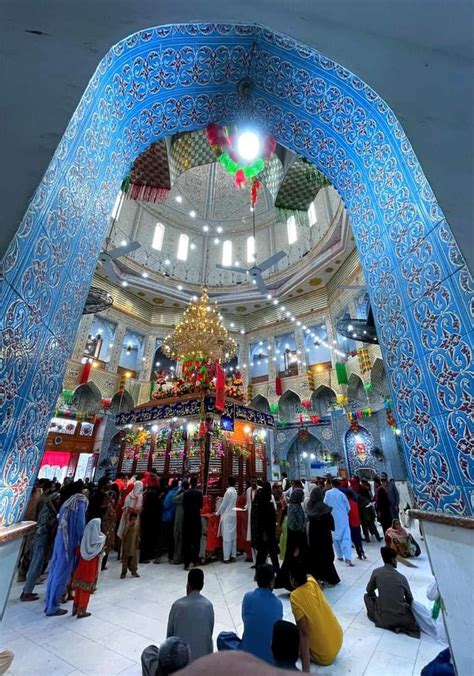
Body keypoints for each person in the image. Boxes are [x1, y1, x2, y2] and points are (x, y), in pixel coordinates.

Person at [217, 564, 283, 663]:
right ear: (271, 582)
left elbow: (245, 620)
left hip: (246, 655)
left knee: (223, 637)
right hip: (270, 659)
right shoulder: (278, 604)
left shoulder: (248, 597)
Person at [44, 483, 88, 616]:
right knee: (62, 573)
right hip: (69, 542)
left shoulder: (66, 503)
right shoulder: (79, 503)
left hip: (59, 540)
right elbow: (80, 525)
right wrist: (83, 541)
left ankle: (49, 601)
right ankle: (53, 607)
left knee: (54, 571)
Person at [289, 562, 343, 670]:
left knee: (291, 637)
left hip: (325, 656)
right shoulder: (312, 581)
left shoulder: (295, 596)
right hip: (338, 639)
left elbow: (304, 634)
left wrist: (305, 671)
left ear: (293, 580)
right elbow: (309, 575)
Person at [364, 546, 420, 637]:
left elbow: (369, 590)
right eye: (396, 559)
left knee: (367, 597)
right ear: (393, 559)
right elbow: (410, 599)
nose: (397, 561)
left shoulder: (376, 572)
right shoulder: (402, 578)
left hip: (383, 617)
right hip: (401, 618)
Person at [166, 569, 214, 662]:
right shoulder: (208, 606)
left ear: (188, 584)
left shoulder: (177, 605)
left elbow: (169, 637)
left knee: (149, 652)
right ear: (202, 585)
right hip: (204, 665)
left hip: (180, 665)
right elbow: (209, 633)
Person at [21, 492, 60, 601]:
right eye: (57, 499)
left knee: (36, 566)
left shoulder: (51, 511)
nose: (58, 501)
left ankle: (28, 590)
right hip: (40, 541)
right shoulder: (46, 512)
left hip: (42, 541)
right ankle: (26, 592)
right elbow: (42, 527)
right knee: (35, 566)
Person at [71, 517, 106, 618]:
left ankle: (75, 608)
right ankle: (82, 610)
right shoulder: (97, 545)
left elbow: (77, 551)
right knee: (85, 591)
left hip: (80, 569)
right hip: (90, 570)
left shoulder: (84, 543)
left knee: (78, 589)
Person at [306, 486, 340, 587]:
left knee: (315, 558)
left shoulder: (310, 507)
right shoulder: (324, 508)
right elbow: (331, 525)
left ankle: (317, 578)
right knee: (327, 558)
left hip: (313, 539)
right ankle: (330, 578)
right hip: (325, 538)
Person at [275, 487, 306, 590]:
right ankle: (291, 583)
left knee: (291, 562)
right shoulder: (295, 509)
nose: (303, 497)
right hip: (295, 539)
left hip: (295, 538)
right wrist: (296, 546)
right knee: (292, 562)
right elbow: (295, 527)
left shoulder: (294, 506)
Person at [323, 479, 353, 566]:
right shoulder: (342, 494)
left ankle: (340, 555)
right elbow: (348, 507)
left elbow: (325, 504)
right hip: (343, 519)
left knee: (335, 538)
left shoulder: (328, 493)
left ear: (331, 484)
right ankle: (348, 557)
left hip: (333, 518)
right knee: (346, 538)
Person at [253, 482, 280, 571]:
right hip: (268, 534)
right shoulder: (268, 505)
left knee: (261, 555)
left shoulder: (259, 503)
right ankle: (278, 573)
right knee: (273, 555)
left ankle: (258, 573)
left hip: (262, 534)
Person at [182, 476, 203, 570]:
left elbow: (184, 505)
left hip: (187, 519)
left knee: (187, 541)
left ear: (190, 482)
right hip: (196, 519)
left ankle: (186, 563)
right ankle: (194, 561)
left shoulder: (186, 493)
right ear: (196, 482)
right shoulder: (199, 493)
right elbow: (201, 505)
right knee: (196, 541)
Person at [140, 474, 162, 564]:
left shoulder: (147, 493)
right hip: (151, 520)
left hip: (146, 519)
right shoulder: (154, 495)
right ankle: (144, 556)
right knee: (148, 538)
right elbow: (157, 507)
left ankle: (146, 555)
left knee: (146, 538)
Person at [216, 477, 237, 563]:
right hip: (233, 515)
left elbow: (223, 505)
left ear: (228, 482)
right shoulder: (235, 491)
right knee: (233, 537)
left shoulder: (228, 492)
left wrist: (217, 513)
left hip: (227, 516)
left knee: (227, 538)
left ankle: (226, 558)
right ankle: (233, 556)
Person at [161, 479, 179, 562]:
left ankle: (169, 554)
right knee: (172, 536)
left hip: (167, 517)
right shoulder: (178, 492)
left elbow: (166, 505)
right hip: (174, 516)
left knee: (168, 536)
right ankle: (172, 554)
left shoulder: (170, 493)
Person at [172, 480, 188, 565]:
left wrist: (178, 491)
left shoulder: (182, 495)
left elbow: (173, 499)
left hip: (179, 518)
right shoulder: (188, 494)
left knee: (178, 538)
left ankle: (177, 558)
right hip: (185, 519)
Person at [101, 490, 117, 571]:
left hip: (108, 529)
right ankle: (102, 565)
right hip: (108, 529)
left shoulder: (107, 506)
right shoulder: (109, 506)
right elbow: (113, 517)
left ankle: (102, 564)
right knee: (106, 547)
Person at [245, 476, 260, 563]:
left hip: (258, 518)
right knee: (252, 540)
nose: (253, 483)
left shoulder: (260, 490)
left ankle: (260, 560)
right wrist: (245, 508)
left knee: (258, 540)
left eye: (254, 481)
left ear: (256, 481)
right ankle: (254, 561)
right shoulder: (248, 490)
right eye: (251, 481)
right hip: (251, 517)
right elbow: (248, 503)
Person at [121, 511, 140, 578]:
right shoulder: (127, 525)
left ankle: (134, 571)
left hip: (133, 545)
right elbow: (124, 534)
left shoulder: (136, 526)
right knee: (125, 559)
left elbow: (137, 534)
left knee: (133, 560)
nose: (133, 520)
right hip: (127, 545)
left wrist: (137, 542)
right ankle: (123, 572)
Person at [348, 494, 366, 560]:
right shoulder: (355, 503)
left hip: (352, 523)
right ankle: (362, 551)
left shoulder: (347, 505)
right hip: (357, 522)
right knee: (358, 539)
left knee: (355, 540)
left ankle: (359, 554)